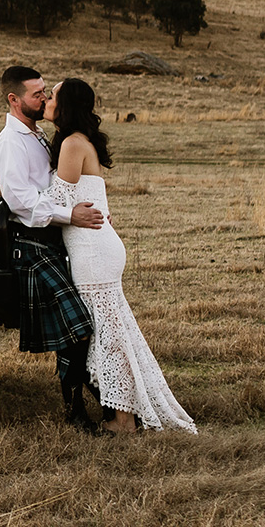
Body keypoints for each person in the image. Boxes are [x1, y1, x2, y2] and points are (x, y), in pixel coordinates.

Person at [46, 77, 196, 434]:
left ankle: (124, 419)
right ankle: (123, 415)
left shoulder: (71, 144)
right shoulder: (79, 142)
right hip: (98, 245)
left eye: (52, 95)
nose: (47, 100)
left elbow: (58, 204)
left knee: (106, 338)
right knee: (110, 335)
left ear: (65, 104)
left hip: (92, 250)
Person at [0, 64, 107, 432]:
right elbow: (21, 201)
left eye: (46, 92)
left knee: (76, 330)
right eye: (37, 94)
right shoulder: (11, 142)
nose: (43, 99)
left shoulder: (37, 134)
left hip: (52, 242)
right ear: (14, 99)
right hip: (31, 245)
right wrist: (69, 215)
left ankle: (103, 402)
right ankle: (75, 412)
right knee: (78, 328)